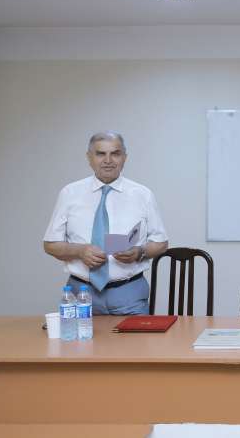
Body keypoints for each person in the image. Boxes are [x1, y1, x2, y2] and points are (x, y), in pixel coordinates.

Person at [43, 131, 168, 315]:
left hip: (129, 294)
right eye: (101, 154)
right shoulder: (70, 193)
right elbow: (50, 245)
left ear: (124, 158)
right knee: (78, 336)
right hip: (81, 294)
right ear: (89, 158)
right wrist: (79, 251)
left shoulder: (143, 195)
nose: (108, 160)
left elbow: (161, 243)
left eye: (115, 153)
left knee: (137, 336)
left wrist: (139, 252)